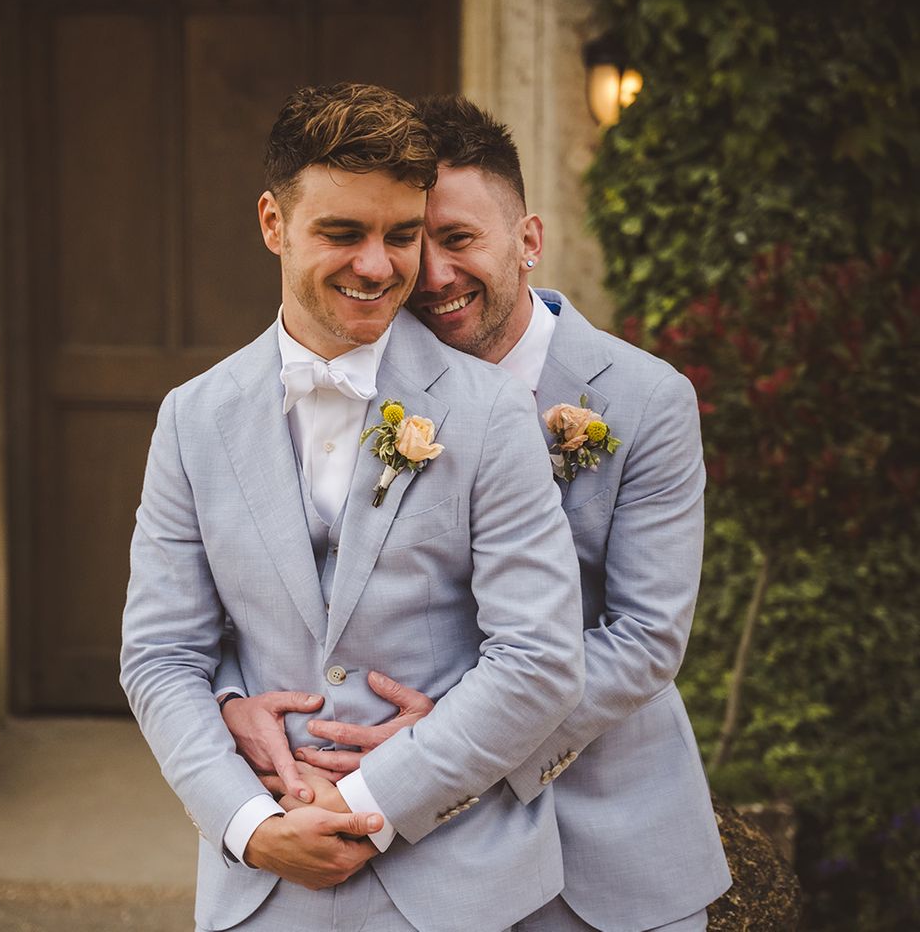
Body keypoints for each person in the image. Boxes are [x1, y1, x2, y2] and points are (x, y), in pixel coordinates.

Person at [217, 95, 733, 932]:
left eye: (461, 240)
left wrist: (451, 735)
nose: (435, 275)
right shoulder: (349, 382)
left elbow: (644, 637)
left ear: (528, 241)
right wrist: (232, 698)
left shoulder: (646, 399)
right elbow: (286, 587)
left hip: (607, 829)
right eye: (425, 243)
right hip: (429, 858)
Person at [120, 82, 586, 932]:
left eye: (400, 235)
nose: (379, 266)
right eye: (342, 232)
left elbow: (541, 656)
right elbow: (160, 655)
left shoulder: (486, 412)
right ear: (273, 224)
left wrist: (373, 802)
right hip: (266, 891)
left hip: (462, 884)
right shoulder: (193, 417)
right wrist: (251, 826)